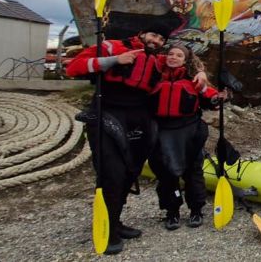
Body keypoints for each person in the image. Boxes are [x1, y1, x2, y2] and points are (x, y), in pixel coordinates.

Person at [67, 28, 206, 254]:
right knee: (111, 173)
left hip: (138, 118)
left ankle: (116, 221)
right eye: (153, 35)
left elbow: (184, 61)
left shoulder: (157, 59)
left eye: (161, 39)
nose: (157, 41)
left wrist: (201, 73)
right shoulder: (113, 47)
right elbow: (73, 67)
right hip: (108, 114)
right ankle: (107, 229)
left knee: (130, 171)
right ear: (142, 34)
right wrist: (114, 60)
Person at [147, 44, 226, 230]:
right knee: (166, 175)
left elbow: (212, 101)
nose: (173, 57)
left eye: (179, 55)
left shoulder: (194, 81)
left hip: (188, 132)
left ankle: (196, 210)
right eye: (171, 54)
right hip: (161, 132)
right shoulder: (153, 79)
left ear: (186, 60)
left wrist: (220, 97)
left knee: (193, 173)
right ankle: (172, 211)